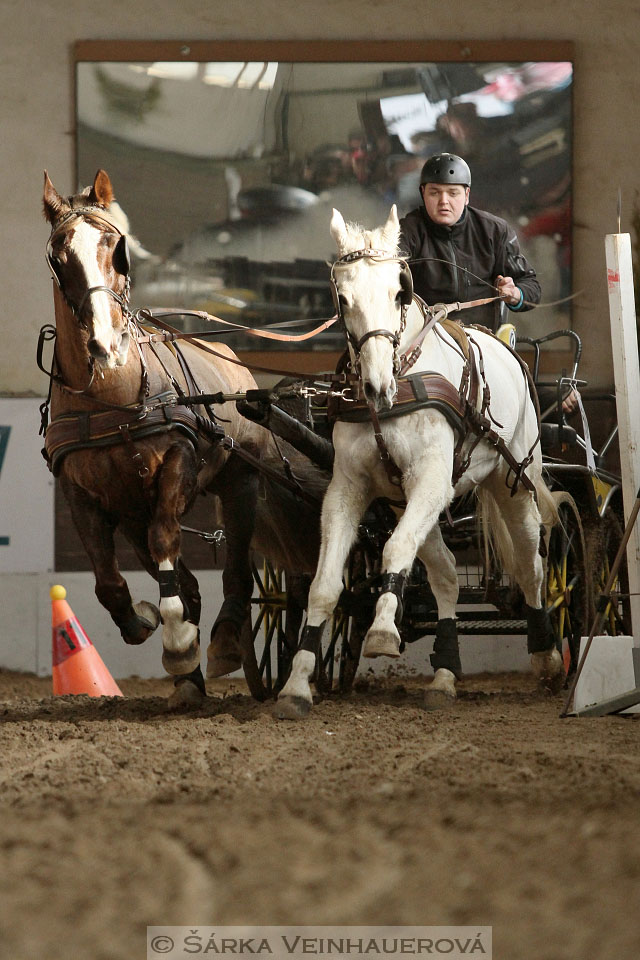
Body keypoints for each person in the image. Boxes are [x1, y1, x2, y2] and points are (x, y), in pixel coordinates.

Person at [399, 152, 541, 331]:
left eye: (453, 193)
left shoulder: (495, 231)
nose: (444, 201)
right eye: (434, 193)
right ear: (423, 193)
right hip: (424, 339)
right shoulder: (405, 231)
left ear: (466, 195)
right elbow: (385, 272)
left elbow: (531, 285)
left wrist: (515, 294)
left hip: (484, 340)